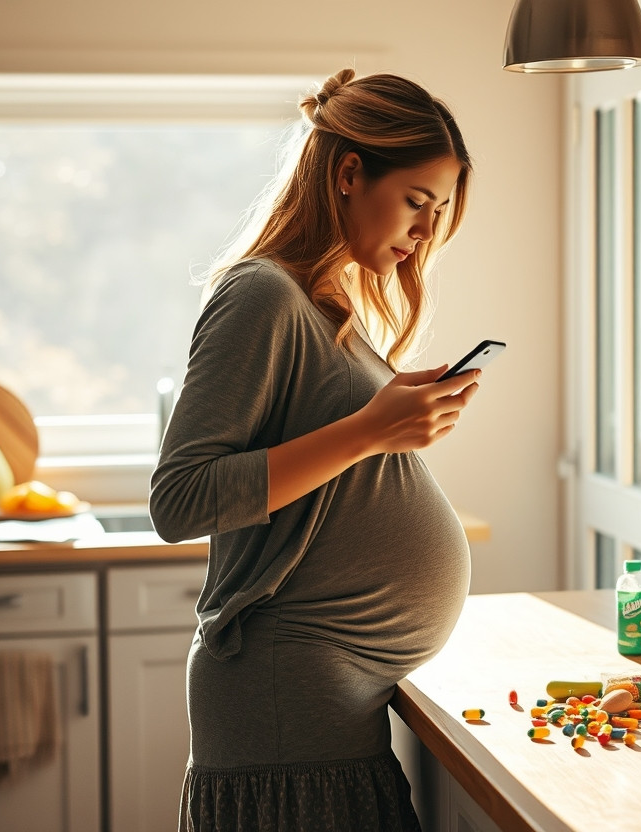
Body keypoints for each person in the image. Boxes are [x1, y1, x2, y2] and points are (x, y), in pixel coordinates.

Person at [149, 68, 477, 831]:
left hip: (324, 706)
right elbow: (179, 499)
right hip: (283, 708)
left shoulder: (320, 303)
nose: (427, 231)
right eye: (417, 203)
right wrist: (372, 430)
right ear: (349, 173)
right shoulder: (261, 293)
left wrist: (390, 419)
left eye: (440, 211)